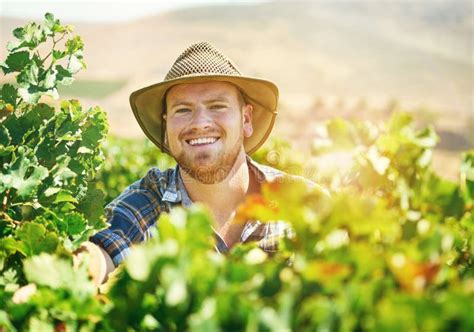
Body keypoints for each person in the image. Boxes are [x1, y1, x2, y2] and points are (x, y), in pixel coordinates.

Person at [82, 41, 318, 285]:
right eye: (183, 110)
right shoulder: (146, 204)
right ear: (166, 129)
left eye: (217, 106)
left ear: (246, 119)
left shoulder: (304, 204)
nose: (200, 122)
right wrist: (79, 268)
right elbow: (102, 253)